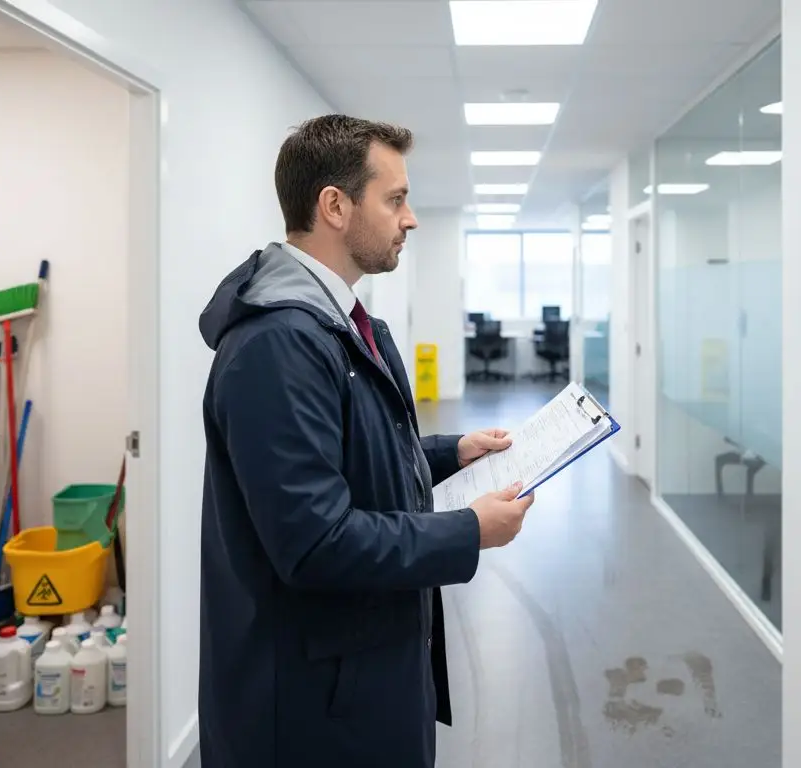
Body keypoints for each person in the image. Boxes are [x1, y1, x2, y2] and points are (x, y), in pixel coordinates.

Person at [197, 114, 537, 768]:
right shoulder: (277, 346)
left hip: (366, 672)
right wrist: (469, 530)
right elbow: (316, 543)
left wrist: (449, 452)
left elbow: (353, 454)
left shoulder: (351, 328)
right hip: (311, 709)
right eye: (396, 199)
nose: (410, 218)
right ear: (334, 206)